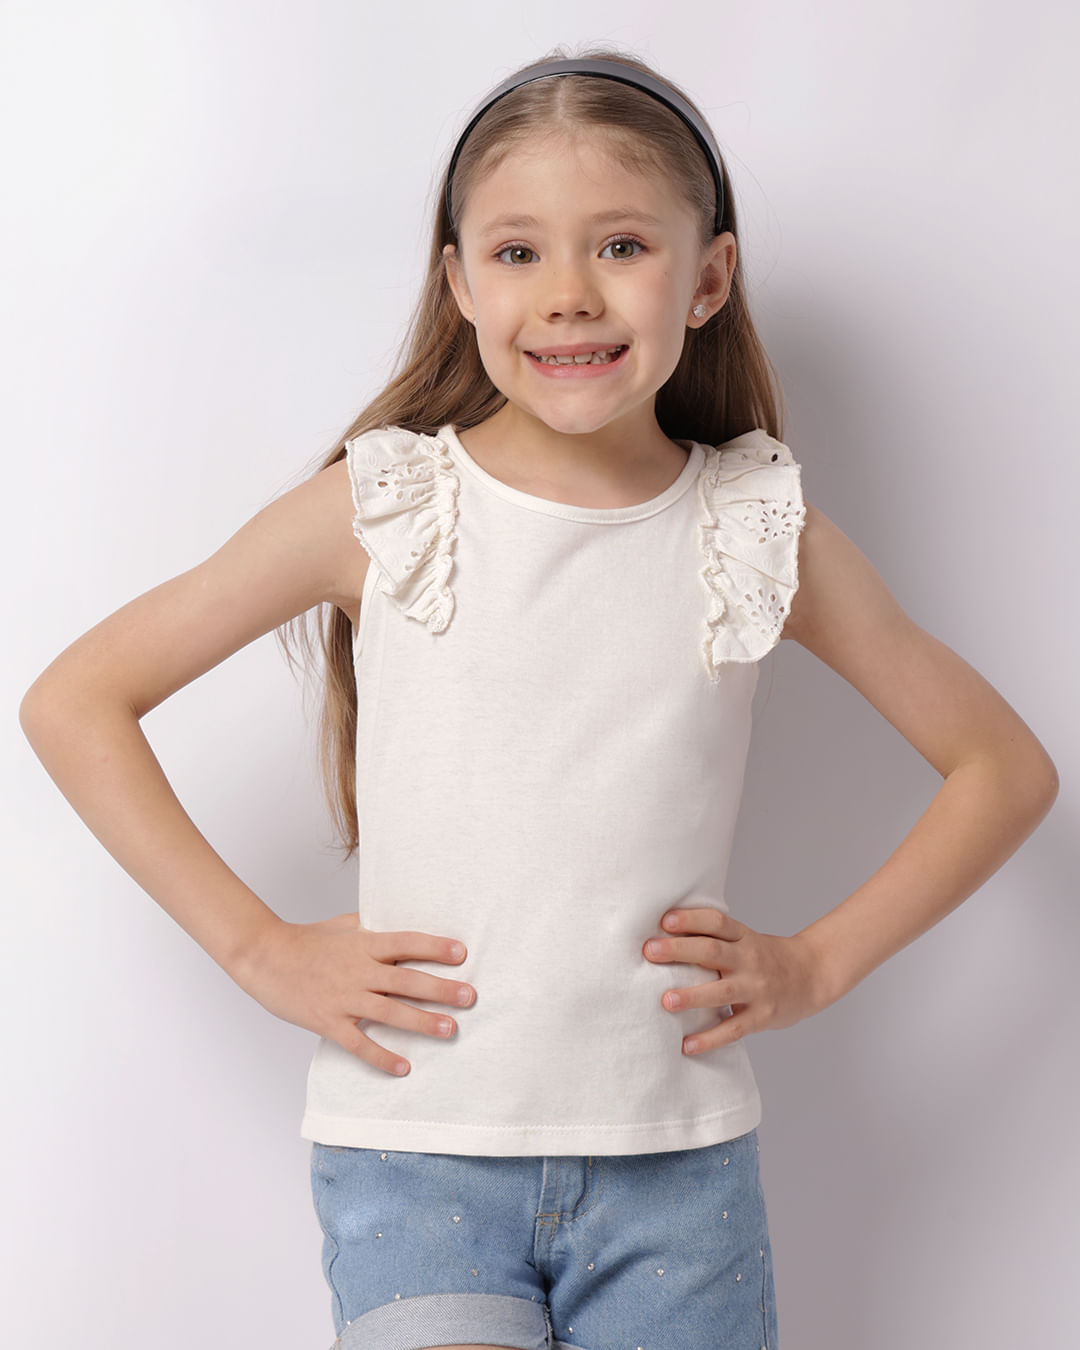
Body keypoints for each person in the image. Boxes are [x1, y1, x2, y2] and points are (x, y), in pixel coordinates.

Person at [19, 44, 1058, 1350]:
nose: (569, 293)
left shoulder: (753, 523)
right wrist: (257, 947)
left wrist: (817, 962)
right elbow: (79, 698)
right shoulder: (385, 506)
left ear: (707, 280)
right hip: (416, 1151)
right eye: (519, 252)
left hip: (678, 1169)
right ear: (459, 283)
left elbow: (1002, 768)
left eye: (621, 245)